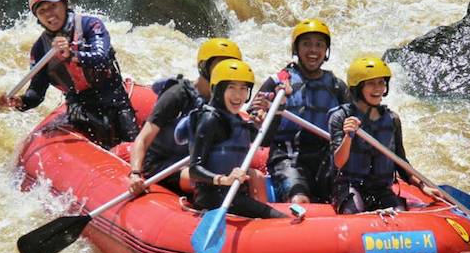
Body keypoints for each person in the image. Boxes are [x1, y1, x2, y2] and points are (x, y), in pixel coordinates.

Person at [0, 0, 138, 149]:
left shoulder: (90, 25)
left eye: (53, 6)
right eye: (42, 11)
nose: (49, 14)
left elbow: (102, 58)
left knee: (132, 145)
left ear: (65, 5)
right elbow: (37, 92)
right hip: (79, 106)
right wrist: (19, 101)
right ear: (38, 18)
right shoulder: (40, 48)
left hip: (112, 96)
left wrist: (72, 54)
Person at [127, 38, 243, 196]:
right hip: (161, 165)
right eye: (219, 65)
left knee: (249, 178)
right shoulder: (178, 94)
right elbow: (143, 138)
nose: (224, 72)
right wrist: (135, 173)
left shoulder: (224, 103)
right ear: (204, 66)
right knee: (202, 180)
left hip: (194, 166)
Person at [255, 19, 349, 204]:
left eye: (319, 45)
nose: (313, 50)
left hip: (325, 156)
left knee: (349, 197)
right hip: (288, 156)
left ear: (326, 51)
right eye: (306, 44)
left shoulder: (337, 86)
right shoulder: (278, 82)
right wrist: (261, 114)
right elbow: (254, 117)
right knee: (299, 200)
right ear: (296, 49)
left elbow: (357, 119)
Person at [328, 56, 436, 214]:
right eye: (371, 83)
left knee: (400, 216)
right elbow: (338, 162)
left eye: (381, 82)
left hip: (381, 189)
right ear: (357, 87)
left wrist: (422, 185)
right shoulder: (340, 117)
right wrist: (348, 136)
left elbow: (401, 163)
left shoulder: (392, 120)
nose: (378, 88)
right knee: (353, 212)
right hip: (349, 186)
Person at [188, 59, 289, 219]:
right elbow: (194, 169)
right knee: (282, 220)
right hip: (213, 198)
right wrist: (223, 179)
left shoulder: (237, 120)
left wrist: (277, 110)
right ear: (218, 89)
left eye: (243, 88)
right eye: (231, 87)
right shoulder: (210, 119)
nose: (238, 95)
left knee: (277, 217)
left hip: (236, 195)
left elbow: (264, 141)